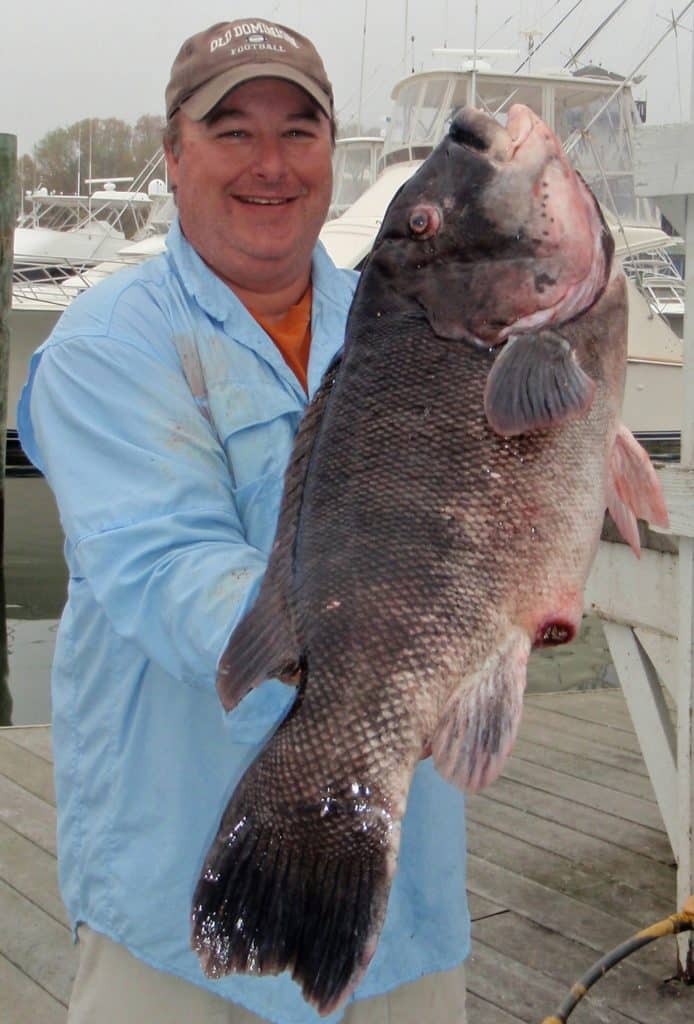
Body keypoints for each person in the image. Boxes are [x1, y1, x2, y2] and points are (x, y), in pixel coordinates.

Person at [18, 17, 470, 1024]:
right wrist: (376, 669)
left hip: (404, 918)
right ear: (173, 157)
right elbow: (166, 567)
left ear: (329, 156)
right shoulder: (108, 346)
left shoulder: (421, 322)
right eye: (231, 131)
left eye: (298, 132)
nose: (269, 164)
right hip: (179, 925)